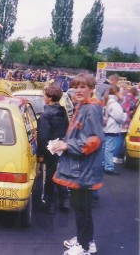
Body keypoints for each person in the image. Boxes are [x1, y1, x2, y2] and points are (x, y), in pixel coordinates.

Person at [52, 73, 104, 255]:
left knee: (81, 209)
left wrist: (67, 145)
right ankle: (87, 240)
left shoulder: (90, 109)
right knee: (82, 208)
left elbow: (95, 140)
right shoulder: (84, 106)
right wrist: (64, 144)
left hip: (83, 170)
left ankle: (83, 247)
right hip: (82, 169)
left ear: (91, 89)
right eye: (76, 86)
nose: (78, 90)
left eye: (83, 87)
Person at [37, 86, 70, 214]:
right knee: (61, 173)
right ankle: (65, 200)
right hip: (62, 146)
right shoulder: (63, 112)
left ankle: (49, 203)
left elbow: (43, 136)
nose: (44, 97)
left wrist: (41, 153)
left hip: (50, 149)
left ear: (49, 98)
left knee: (49, 177)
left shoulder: (45, 115)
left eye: (45, 95)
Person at [103, 85, 126, 175]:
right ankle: (109, 167)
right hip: (112, 128)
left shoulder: (108, 101)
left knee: (105, 148)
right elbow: (120, 117)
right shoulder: (114, 104)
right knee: (110, 149)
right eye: (120, 92)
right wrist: (125, 116)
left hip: (106, 128)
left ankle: (104, 164)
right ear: (116, 92)